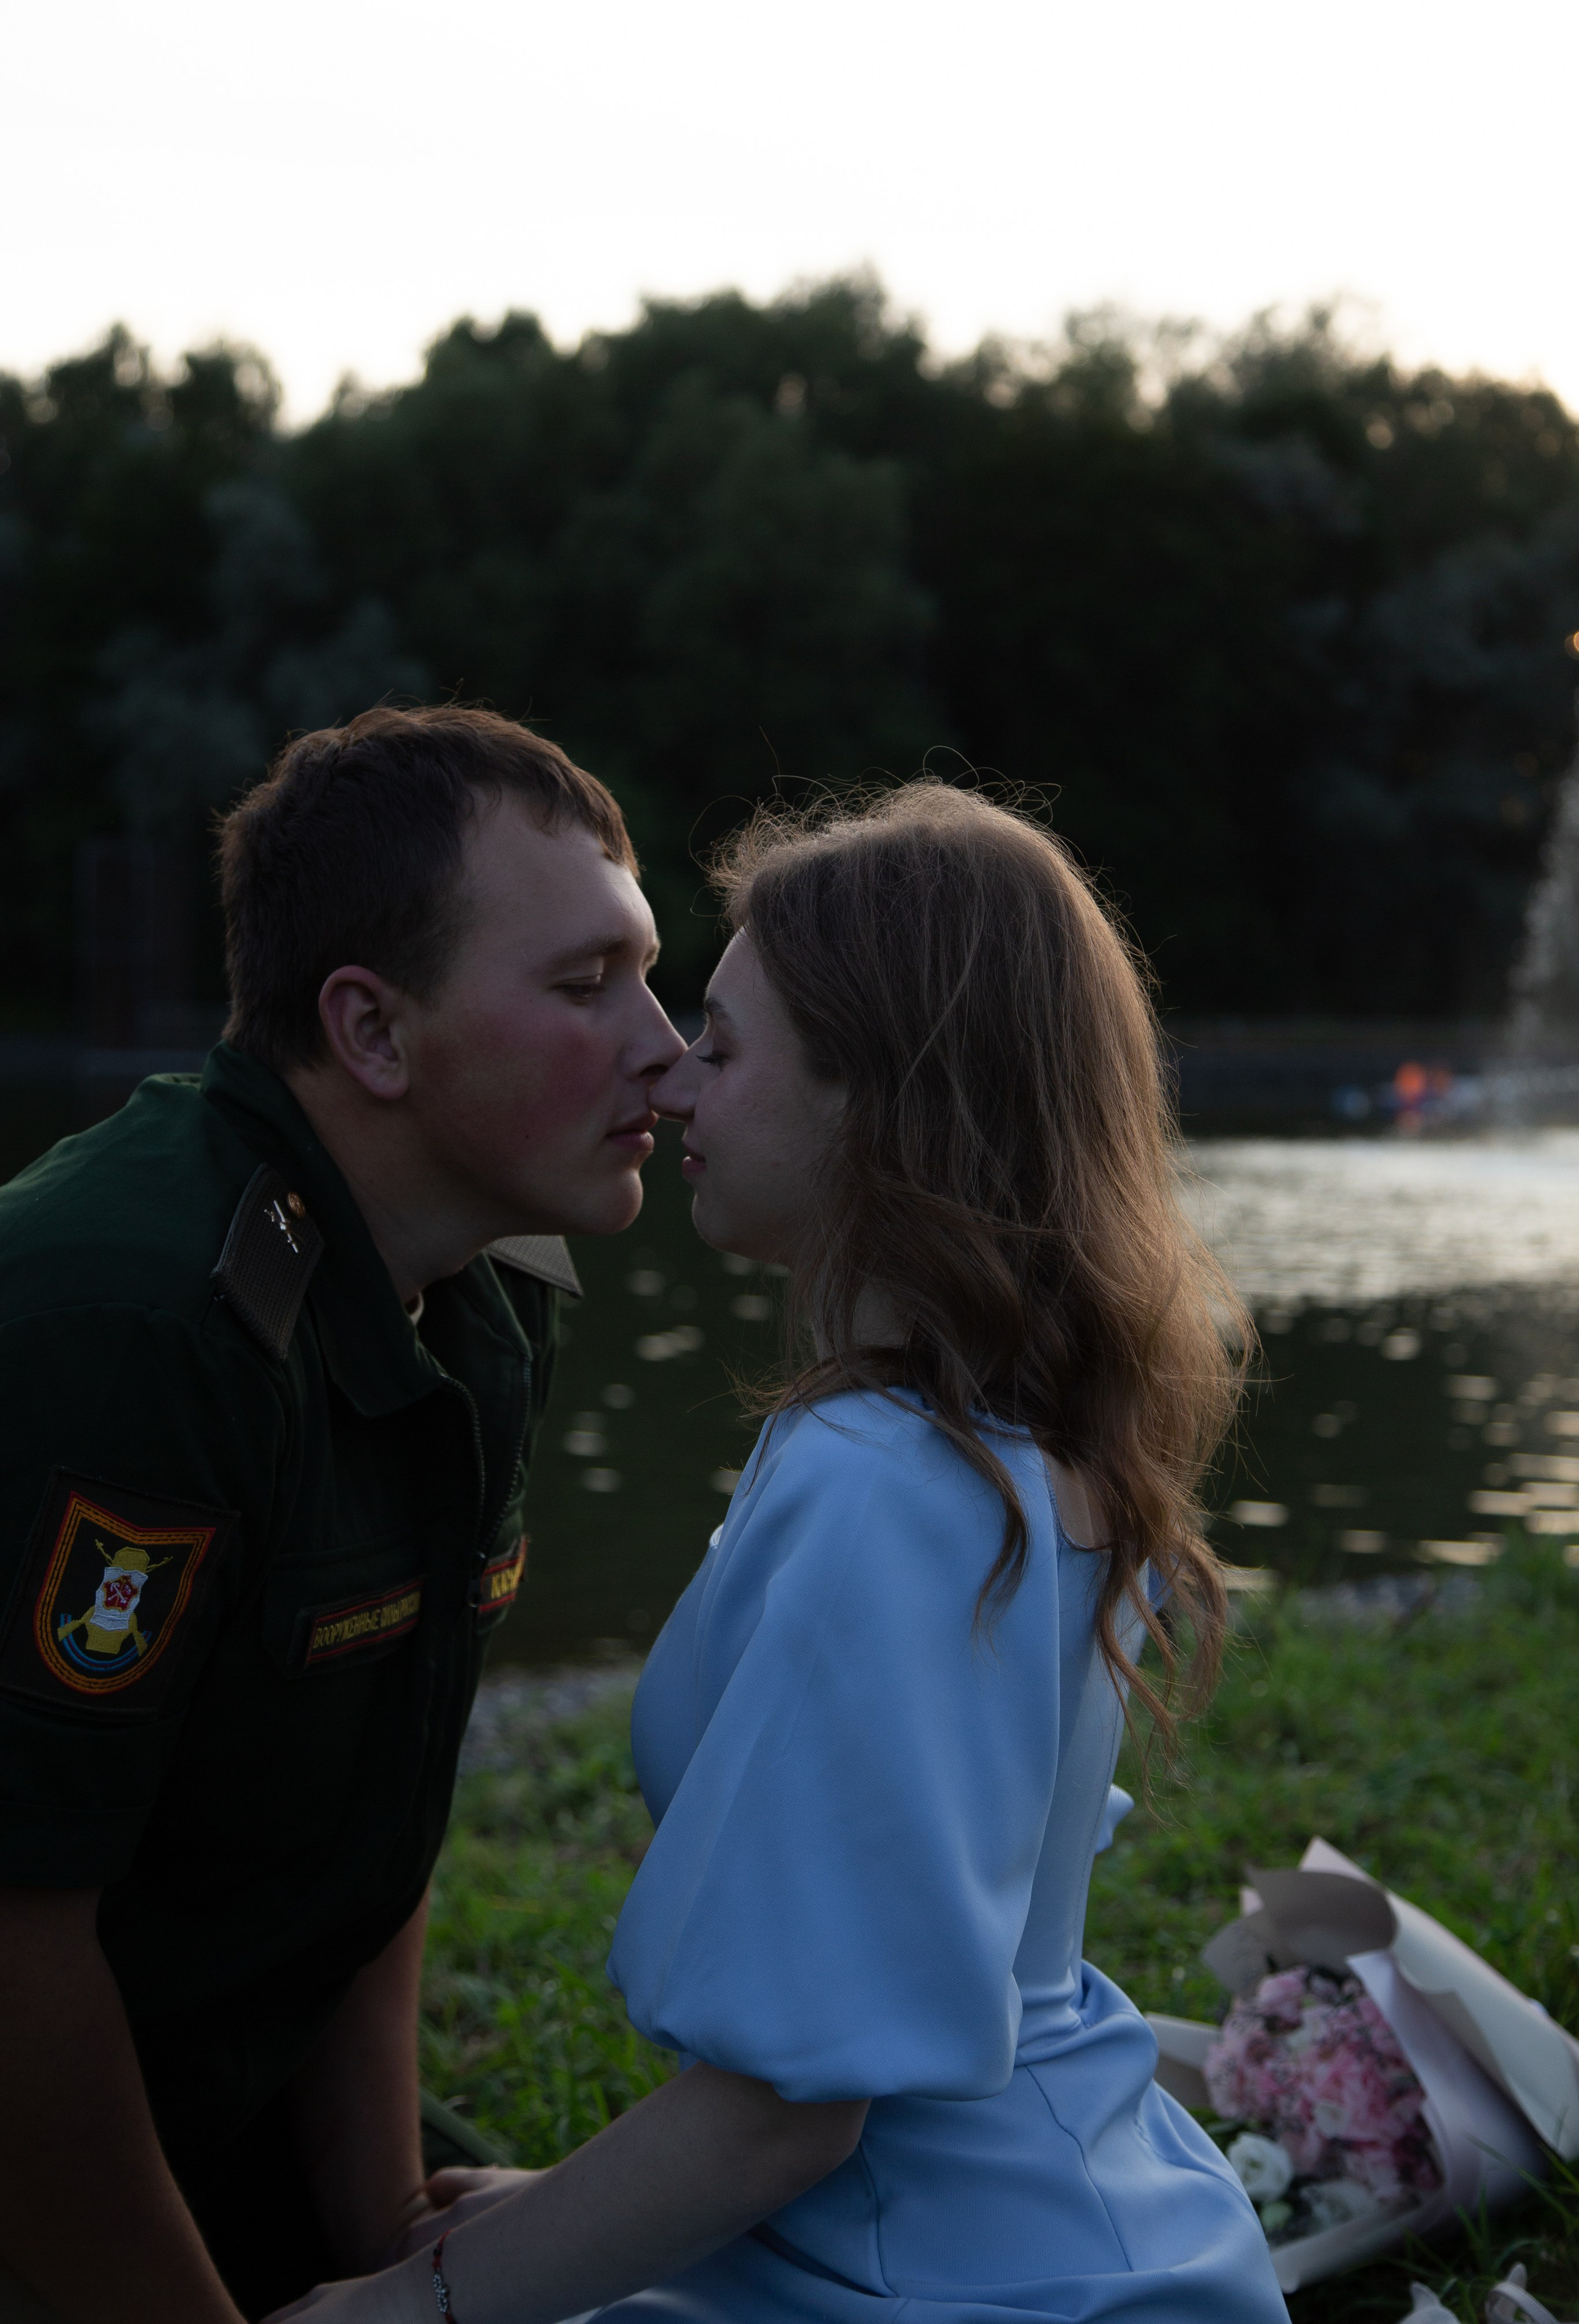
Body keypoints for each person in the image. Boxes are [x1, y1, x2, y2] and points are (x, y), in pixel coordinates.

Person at [269, 780, 1288, 2324]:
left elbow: (793, 2110)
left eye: (724, 1049)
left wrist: (406, 2309)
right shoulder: (1009, 1438)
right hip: (1041, 2218)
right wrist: (572, 2206)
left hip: (954, 2283)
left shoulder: (888, 1484)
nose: (669, 1083)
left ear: (876, 1102)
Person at [0, 706, 685, 2324]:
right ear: (372, 1033)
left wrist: (387, 2235)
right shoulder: (130, 1331)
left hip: (200, 2103)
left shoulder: (487, 1284)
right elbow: (12, 1958)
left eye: (649, 972)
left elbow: (370, 1810)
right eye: (589, 987)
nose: (666, 1041)